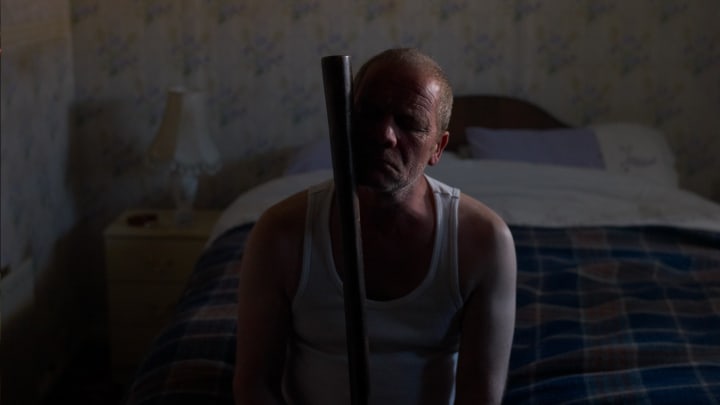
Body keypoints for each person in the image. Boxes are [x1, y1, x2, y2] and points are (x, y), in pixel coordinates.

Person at [233, 48, 517, 405]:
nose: (384, 134)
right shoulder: (281, 234)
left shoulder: (483, 241)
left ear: (438, 148)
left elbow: (479, 395)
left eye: (409, 122)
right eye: (368, 114)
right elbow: (254, 385)